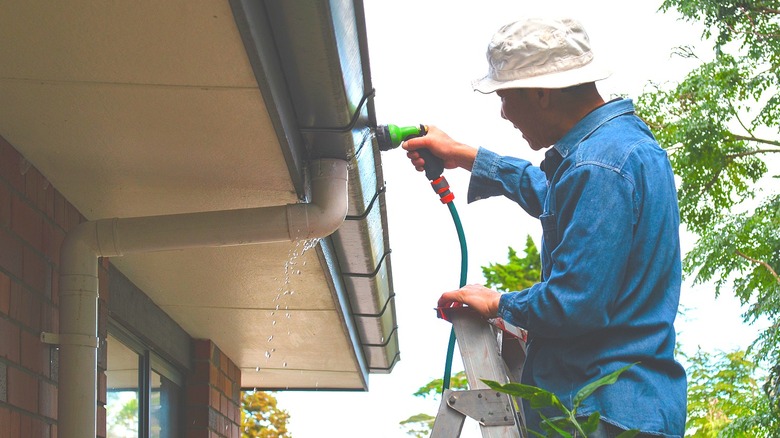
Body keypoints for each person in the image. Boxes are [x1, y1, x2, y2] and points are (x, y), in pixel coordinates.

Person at [403, 18, 687, 437]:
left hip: (597, 414)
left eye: (504, 97)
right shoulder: (621, 147)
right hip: (629, 409)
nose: (503, 113)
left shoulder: (597, 168)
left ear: (540, 92)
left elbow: (574, 304)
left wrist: (499, 302)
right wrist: (464, 154)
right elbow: (559, 197)